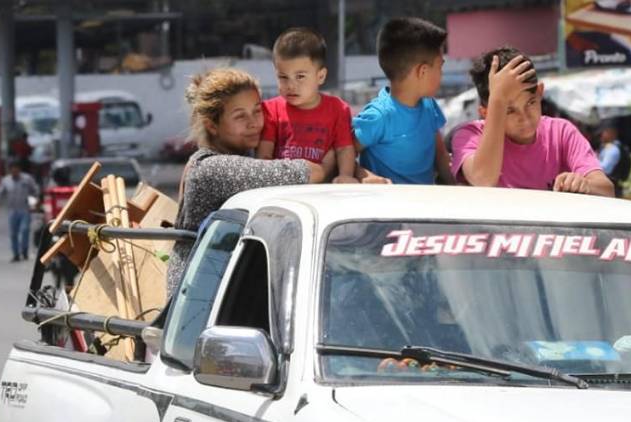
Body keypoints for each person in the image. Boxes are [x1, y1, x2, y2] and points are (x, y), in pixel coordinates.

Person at [167, 68, 325, 296]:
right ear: (212, 124)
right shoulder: (212, 168)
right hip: (197, 301)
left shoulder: (242, 157)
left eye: (257, 111)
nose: (254, 123)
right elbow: (309, 172)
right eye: (240, 116)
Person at [450, 46, 615, 197]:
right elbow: (483, 180)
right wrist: (498, 100)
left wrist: (584, 184)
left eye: (530, 103)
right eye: (509, 110)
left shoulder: (561, 132)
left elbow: (606, 189)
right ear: (485, 113)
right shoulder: (469, 135)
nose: (525, 117)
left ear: (540, 92)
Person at [351, 17, 453, 185]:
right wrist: (364, 175)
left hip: (427, 207)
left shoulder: (429, 106)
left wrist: (460, 187)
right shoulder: (379, 116)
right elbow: (342, 153)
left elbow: (441, 156)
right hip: (388, 209)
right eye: (440, 66)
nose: (442, 74)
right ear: (423, 71)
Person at [257, 28, 357, 183]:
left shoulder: (338, 109)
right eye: (283, 77)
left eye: (300, 77)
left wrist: (346, 176)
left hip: (321, 192)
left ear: (321, 76)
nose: (291, 85)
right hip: (282, 189)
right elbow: (264, 157)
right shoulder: (270, 110)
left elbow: (344, 149)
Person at [0, 160, 39, 262]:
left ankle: (24, 250)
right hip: (12, 211)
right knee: (13, 233)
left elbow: (34, 191)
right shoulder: (6, 181)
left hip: (25, 209)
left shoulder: (27, 179)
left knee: (25, 230)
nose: (14, 172)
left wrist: (33, 204)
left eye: (16, 169)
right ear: (10, 170)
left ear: (19, 170)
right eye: (12, 169)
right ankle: (16, 254)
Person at [597, 119, 631, 197]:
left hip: (612, 190)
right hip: (612, 189)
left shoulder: (613, 149)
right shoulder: (609, 147)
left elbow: (605, 169)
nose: (601, 135)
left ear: (611, 132)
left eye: (603, 132)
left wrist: (590, 164)